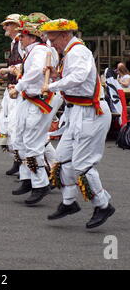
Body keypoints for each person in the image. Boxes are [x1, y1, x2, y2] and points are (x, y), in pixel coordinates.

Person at [40, 18, 115, 229]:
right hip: (76, 113)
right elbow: (73, 78)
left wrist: (52, 84)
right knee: (62, 159)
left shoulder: (79, 51)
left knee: (82, 164)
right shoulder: (69, 54)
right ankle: (68, 202)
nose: (51, 43)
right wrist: (56, 75)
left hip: (91, 113)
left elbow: (80, 77)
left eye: (52, 39)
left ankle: (103, 204)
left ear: (65, 35)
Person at [8, 21, 58, 205]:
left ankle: (40, 184)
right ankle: (27, 178)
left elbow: (38, 71)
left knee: (31, 142)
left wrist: (19, 85)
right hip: (27, 98)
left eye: (22, 35)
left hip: (38, 101)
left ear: (31, 37)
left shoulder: (40, 51)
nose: (19, 38)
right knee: (18, 139)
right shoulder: (32, 51)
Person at [0, 14, 24, 176]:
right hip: (11, 87)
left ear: (16, 26)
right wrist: (7, 73)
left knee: (15, 126)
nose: (5, 27)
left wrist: (7, 70)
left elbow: (25, 64)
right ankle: (15, 158)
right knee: (2, 124)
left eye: (8, 24)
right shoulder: (14, 43)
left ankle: (24, 163)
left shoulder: (22, 41)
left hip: (18, 89)